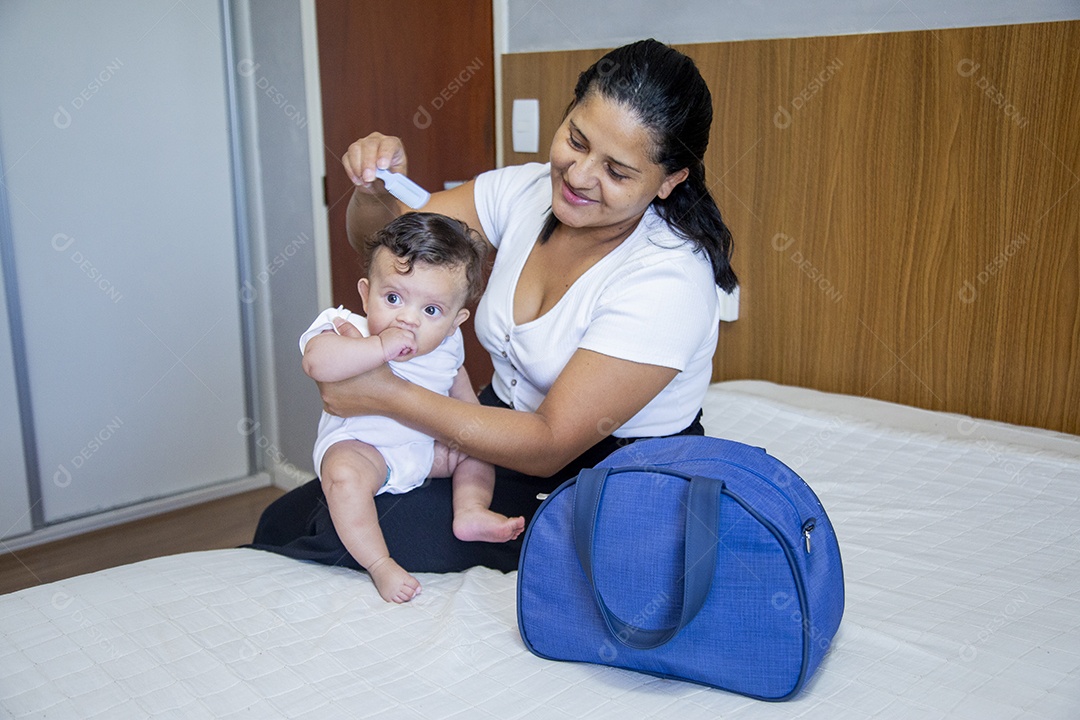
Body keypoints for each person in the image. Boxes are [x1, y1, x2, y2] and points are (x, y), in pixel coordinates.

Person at [251, 38, 738, 574]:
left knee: (365, 531)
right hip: (502, 432)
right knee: (288, 517)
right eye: (576, 140)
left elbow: (551, 443)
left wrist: (386, 394)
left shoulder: (668, 278)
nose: (578, 176)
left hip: (606, 470)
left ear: (670, 180)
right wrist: (371, 193)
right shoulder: (525, 192)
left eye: (617, 172)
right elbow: (389, 247)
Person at [299, 212, 524, 602]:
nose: (408, 319)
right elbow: (317, 363)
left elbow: (468, 406)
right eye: (392, 298)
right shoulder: (344, 325)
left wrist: (477, 437)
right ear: (366, 293)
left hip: (425, 454)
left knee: (477, 449)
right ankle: (380, 563)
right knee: (343, 478)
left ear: (456, 321)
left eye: (431, 311)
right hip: (363, 449)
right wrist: (378, 348)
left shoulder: (448, 347)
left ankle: (470, 510)